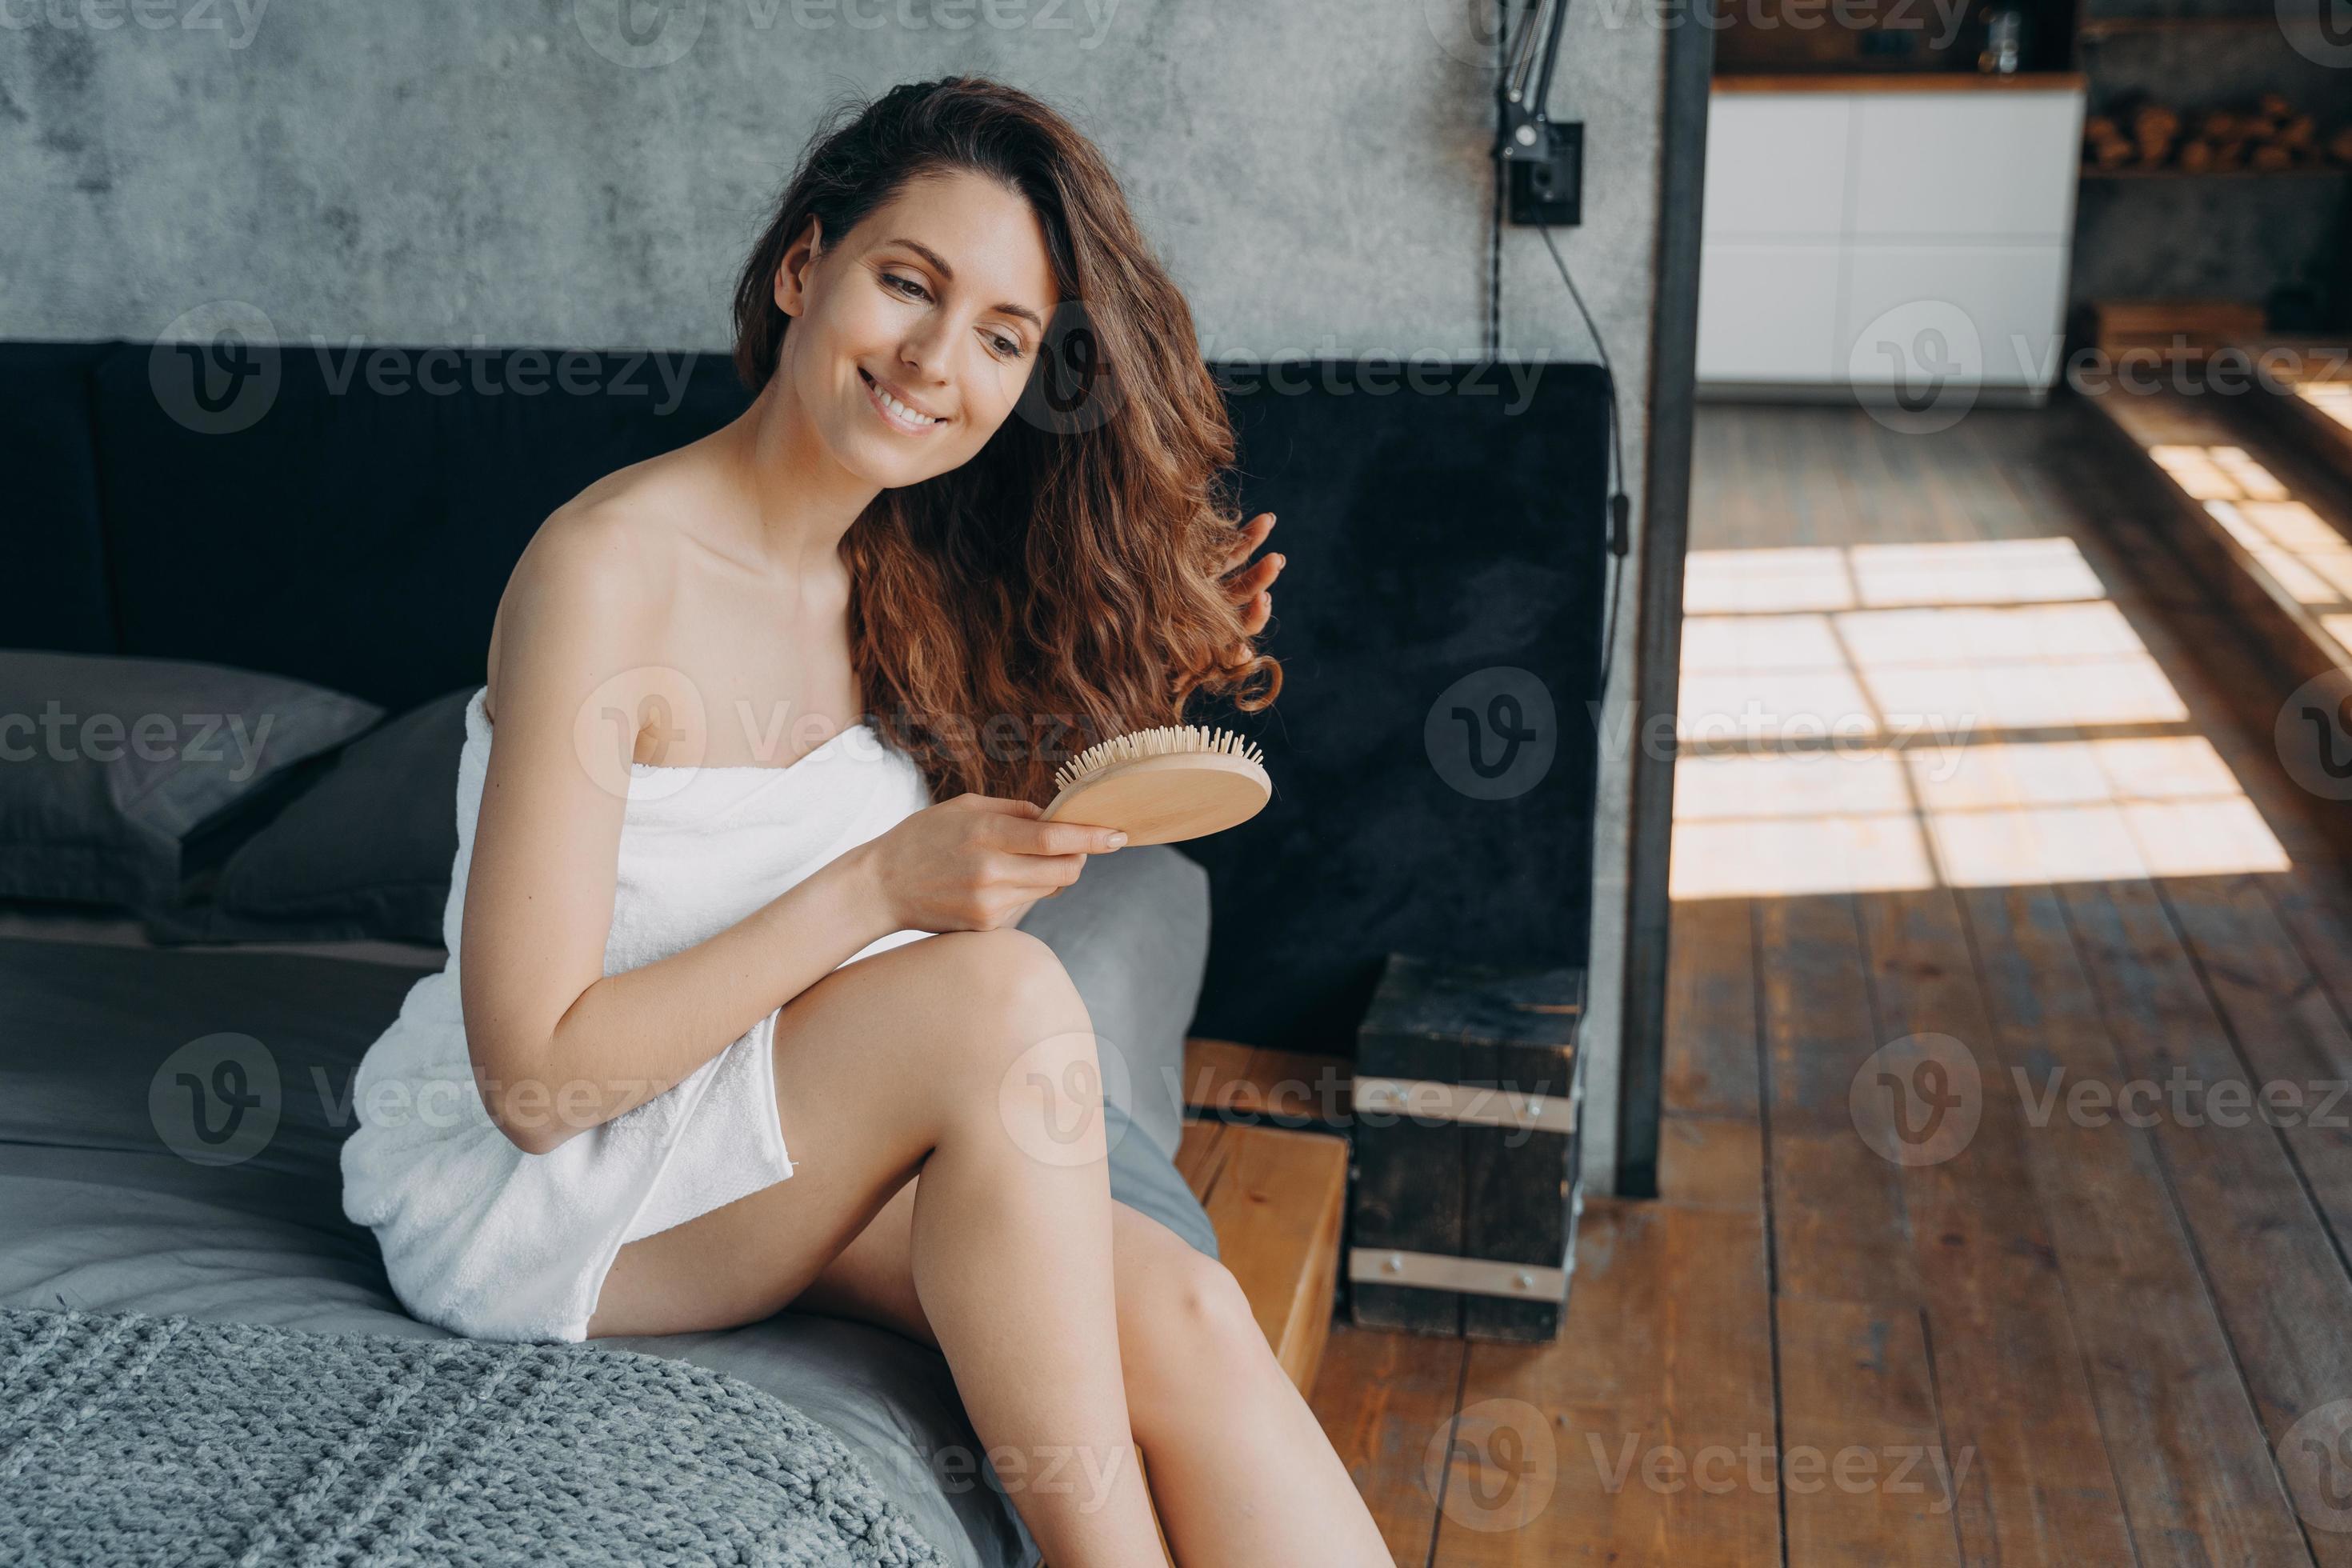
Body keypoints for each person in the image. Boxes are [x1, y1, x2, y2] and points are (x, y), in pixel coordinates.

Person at [340, 75, 1392, 1566]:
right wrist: (875, 886)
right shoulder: (605, 572)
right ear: (801, 267)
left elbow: (918, 919)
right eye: (908, 283)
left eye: (1003, 339)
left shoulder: (896, 564)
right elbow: (537, 1084)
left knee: (1188, 1312)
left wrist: (1146, 690)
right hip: (545, 1193)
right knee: (1002, 998)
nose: (934, 361)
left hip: (764, 1124)